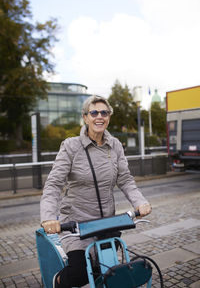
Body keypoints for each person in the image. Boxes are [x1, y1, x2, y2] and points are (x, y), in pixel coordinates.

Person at [40, 95, 152, 288]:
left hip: (106, 223)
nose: (99, 116)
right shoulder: (71, 146)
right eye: (94, 112)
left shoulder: (115, 145)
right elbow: (54, 184)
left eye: (104, 112)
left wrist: (139, 202)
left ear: (108, 117)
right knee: (80, 273)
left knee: (107, 272)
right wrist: (48, 217)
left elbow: (124, 179)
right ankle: (56, 281)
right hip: (76, 225)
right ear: (85, 117)